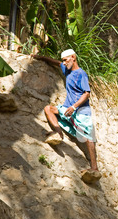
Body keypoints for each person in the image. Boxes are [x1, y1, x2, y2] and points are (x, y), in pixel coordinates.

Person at [31, 49, 101, 183]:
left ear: (73, 58)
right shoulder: (66, 69)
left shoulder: (81, 74)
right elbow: (55, 62)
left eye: (66, 60)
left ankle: (94, 168)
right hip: (67, 108)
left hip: (80, 110)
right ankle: (58, 133)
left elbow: (87, 93)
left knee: (88, 136)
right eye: (63, 60)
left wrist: (74, 106)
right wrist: (39, 57)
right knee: (49, 109)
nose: (64, 63)